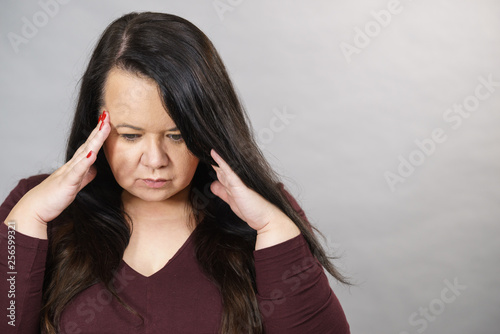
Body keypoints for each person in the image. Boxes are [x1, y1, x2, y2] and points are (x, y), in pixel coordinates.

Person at [0, 12, 350, 334]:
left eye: (177, 135)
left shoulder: (260, 216)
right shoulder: (32, 207)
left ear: (206, 128)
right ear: (97, 124)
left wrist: (275, 230)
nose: (155, 160)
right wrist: (27, 222)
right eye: (131, 135)